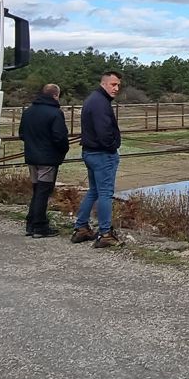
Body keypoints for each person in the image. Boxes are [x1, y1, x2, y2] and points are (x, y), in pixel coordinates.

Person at [71, 71, 122, 248]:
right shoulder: (100, 103)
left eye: (118, 85)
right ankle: (105, 233)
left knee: (94, 190)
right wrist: (112, 146)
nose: (116, 88)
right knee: (106, 193)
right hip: (102, 154)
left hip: (90, 152)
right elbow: (103, 132)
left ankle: (81, 228)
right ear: (104, 83)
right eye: (113, 84)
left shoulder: (93, 99)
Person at [19, 83, 70, 238]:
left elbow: (22, 134)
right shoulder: (55, 113)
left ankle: (30, 223)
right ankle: (40, 226)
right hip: (47, 159)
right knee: (43, 191)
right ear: (56, 95)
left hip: (32, 157)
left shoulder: (28, 112)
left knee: (37, 190)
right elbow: (59, 137)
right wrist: (62, 150)